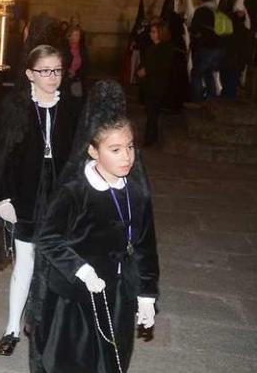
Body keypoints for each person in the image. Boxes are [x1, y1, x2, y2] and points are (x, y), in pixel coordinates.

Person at [28, 80, 159, 373]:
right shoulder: (75, 191)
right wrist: (82, 270)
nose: (126, 157)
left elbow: (144, 247)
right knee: (73, 362)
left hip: (117, 296)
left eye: (130, 147)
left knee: (111, 361)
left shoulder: (137, 192)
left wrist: (147, 294)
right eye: (115, 149)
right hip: (74, 297)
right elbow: (48, 239)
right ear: (92, 151)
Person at [0, 44, 80, 356]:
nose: (52, 77)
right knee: (25, 261)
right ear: (30, 73)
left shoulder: (71, 107)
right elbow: (0, 156)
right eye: (44, 71)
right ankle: (12, 328)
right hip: (26, 191)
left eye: (57, 70)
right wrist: (4, 198)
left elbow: (80, 154)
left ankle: (52, 328)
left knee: (60, 262)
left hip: (61, 193)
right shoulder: (15, 106)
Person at [137, 20, 175, 147]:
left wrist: (146, 71)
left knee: (153, 113)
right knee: (150, 113)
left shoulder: (166, 49)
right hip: (149, 85)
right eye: (151, 32)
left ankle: (150, 139)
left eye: (154, 32)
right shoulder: (151, 47)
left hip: (157, 85)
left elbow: (162, 66)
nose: (151, 34)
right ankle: (152, 138)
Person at [189, 0, 224, 103]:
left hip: (205, 46)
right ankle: (212, 99)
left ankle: (197, 99)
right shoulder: (218, 11)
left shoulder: (201, 11)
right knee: (209, 73)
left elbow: (194, 28)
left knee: (197, 74)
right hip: (218, 47)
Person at [63, 24, 88, 98]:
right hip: (65, 79)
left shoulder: (82, 50)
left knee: (76, 100)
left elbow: (86, 65)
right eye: (73, 35)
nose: (75, 37)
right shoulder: (64, 49)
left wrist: (77, 74)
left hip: (77, 80)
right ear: (69, 36)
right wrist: (68, 72)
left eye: (77, 35)